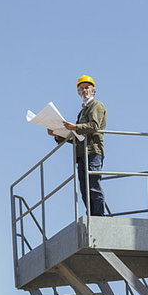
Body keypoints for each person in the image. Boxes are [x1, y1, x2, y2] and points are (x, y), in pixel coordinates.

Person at [48, 75, 107, 216]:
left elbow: (93, 126)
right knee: (85, 190)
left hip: (93, 151)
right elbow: (77, 137)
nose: (84, 90)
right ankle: (92, 216)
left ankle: (99, 218)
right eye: (81, 88)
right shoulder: (82, 112)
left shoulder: (96, 106)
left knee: (93, 186)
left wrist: (74, 127)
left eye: (87, 87)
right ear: (78, 93)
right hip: (82, 154)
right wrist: (58, 135)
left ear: (93, 91)